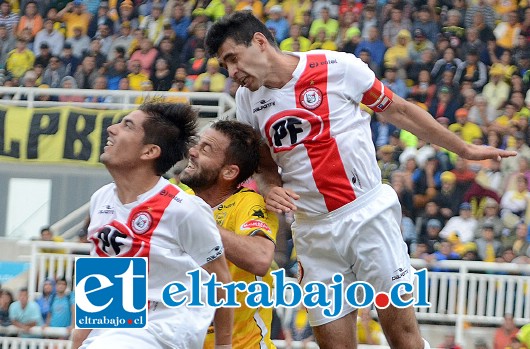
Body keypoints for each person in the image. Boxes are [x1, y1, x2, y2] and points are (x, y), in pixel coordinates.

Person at [204, 12, 516, 349]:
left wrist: (464, 148)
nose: (232, 72)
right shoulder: (246, 101)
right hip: (313, 231)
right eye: (225, 65)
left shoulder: (337, 67)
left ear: (260, 42)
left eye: (233, 59)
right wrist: (269, 189)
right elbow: (265, 166)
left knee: (403, 338)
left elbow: (399, 110)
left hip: (367, 215)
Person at [71, 102, 233, 349]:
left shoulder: (183, 207)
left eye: (127, 125)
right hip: (117, 327)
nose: (112, 129)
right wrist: (79, 338)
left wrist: (224, 346)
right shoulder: (101, 199)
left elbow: (220, 278)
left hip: (168, 325)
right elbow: (104, 281)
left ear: (149, 152)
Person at [180, 120, 279, 349]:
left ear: (229, 171)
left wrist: (198, 221)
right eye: (197, 144)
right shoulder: (180, 198)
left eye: (206, 149)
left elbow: (260, 258)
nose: (192, 152)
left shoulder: (248, 202)